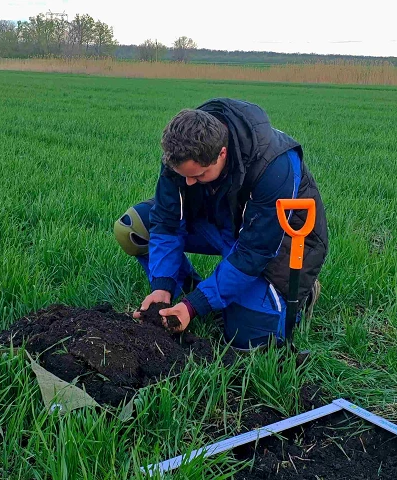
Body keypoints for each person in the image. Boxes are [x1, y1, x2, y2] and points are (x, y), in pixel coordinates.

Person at [114, 98, 328, 350]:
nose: (189, 183)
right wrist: (162, 285)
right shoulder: (181, 153)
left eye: (199, 175)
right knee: (134, 229)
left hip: (278, 243)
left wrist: (194, 306)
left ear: (222, 153)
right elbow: (166, 223)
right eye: (185, 176)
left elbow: (254, 252)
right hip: (220, 223)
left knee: (247, 340)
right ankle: (193, 290)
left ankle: (297, 295)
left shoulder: (274, 165)